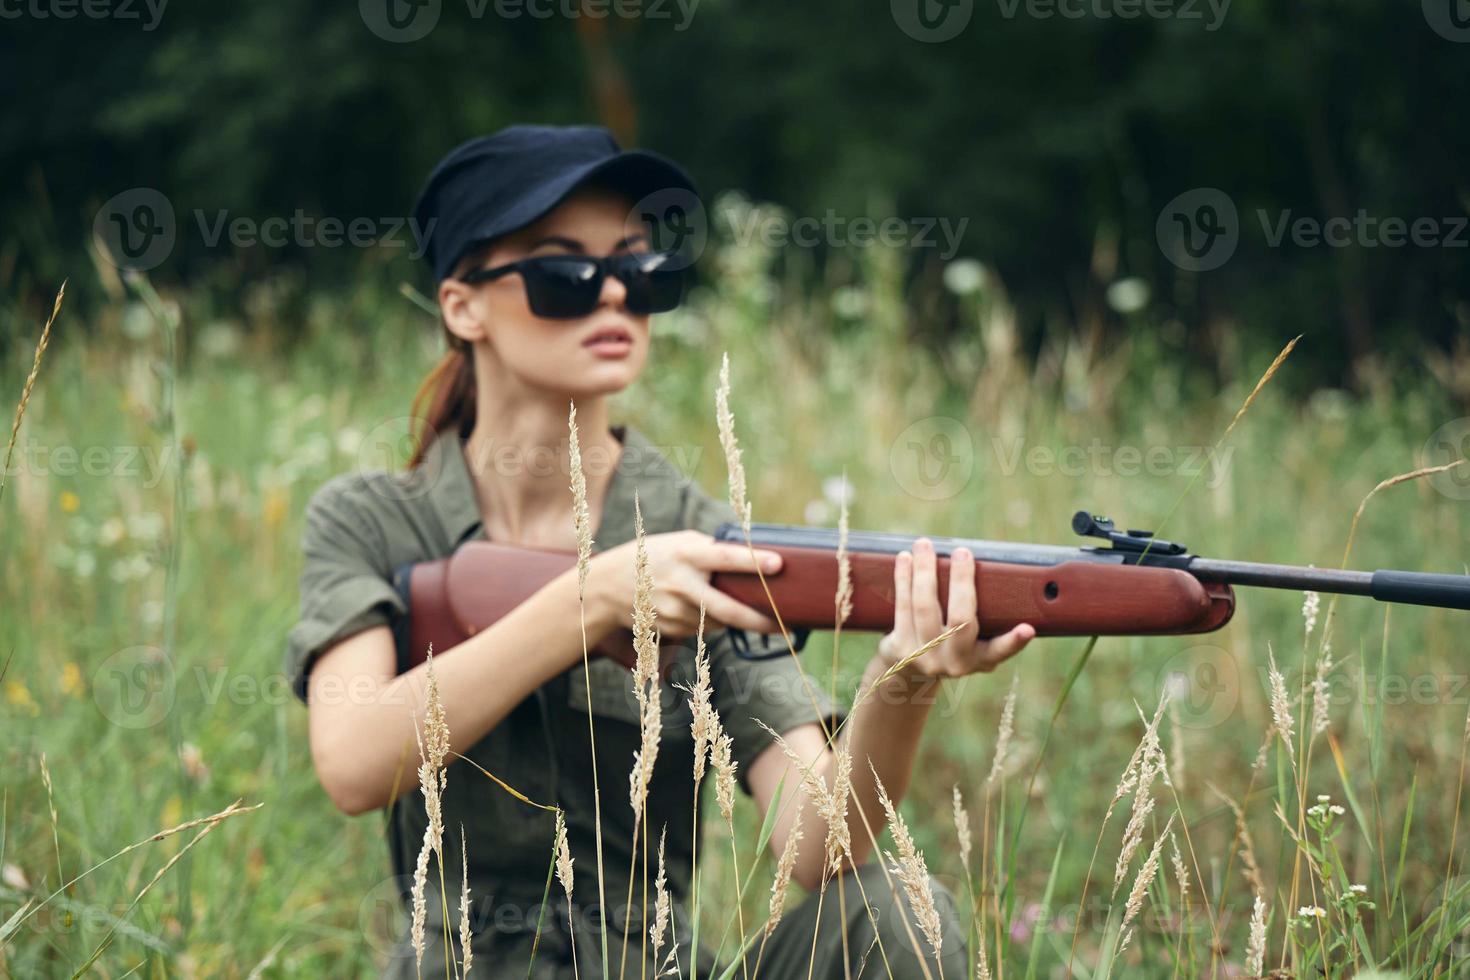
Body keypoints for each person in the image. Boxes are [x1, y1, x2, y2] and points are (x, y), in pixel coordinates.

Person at [285, 123, 1036, 978]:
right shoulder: (373, 520)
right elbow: (352, 765)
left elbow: (814, 845)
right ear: (463, 305)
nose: (612, 295)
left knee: (899, 912)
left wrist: (902, 679)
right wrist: (593, 600)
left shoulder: (700, 539)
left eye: (640, 268)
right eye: (564, 272)